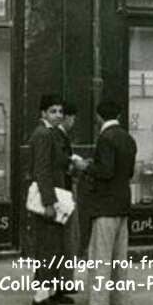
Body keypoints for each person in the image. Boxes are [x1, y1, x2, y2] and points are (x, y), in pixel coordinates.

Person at [77, 99, 137, 305]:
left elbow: (105, 171)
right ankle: (118, 301)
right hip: (122, 203)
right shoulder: (128, 139)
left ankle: (99, 304)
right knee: (119, 257)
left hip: (104, 205)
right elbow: (128, 172)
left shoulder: (105, 138)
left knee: (100, 255)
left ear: (98, 117)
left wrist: (86, 166)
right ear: (119, 115)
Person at [27, 94, 73, 305]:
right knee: (48, 248)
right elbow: (42, 170)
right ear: (43, 113)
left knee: (54, 246)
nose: (58, 115)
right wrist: (48, 202)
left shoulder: (51, 133)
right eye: (53, 111)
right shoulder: (44, 134)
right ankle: (40, 298)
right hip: (51, 198)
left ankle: (51, 292)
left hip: (56, 196)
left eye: (60, 112)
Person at [57, 101, 81, 291]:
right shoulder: (59, 137)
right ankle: (64, 281)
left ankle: (65, 280)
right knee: (68, 238)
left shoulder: (59, 136)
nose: (73, 121)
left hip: (63, 191)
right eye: (72, 117)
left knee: (68, 238)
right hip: (64, 192)